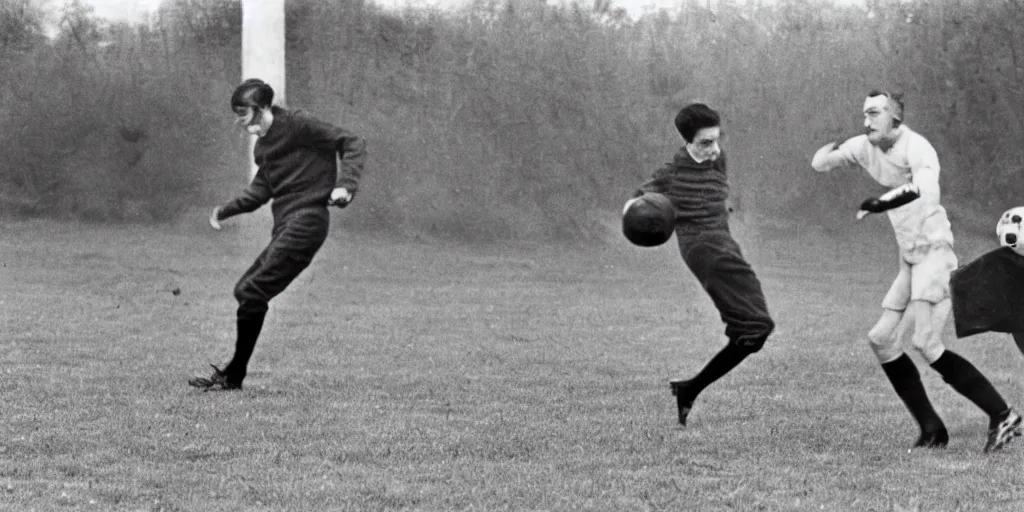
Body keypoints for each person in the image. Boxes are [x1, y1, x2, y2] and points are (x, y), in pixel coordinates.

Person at [810, 89, 1021, 452]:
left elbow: (920, 189)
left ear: (895, 116)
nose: (866, 121)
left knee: (925, 342)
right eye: (864, 113)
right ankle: (932, 429)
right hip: (908, 260)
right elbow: (822, 163)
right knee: (880, 339)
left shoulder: (919, 148)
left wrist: (881, 202)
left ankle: (1002, 414)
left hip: (935, 256)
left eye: (874, 113)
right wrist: (826, 152)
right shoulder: (865, 145)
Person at [188, 78, 366, 391]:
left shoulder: (299, 125)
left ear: (264, 108)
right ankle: (234, 373)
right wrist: (225, 210)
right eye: (237, 114)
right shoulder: (264, 148)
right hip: (286, 224)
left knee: (253, 291)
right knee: (245, 291)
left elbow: (351, 142)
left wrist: (346, 186)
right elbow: (261, 190)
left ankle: (233, 375)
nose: (240, 122)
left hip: (308, 221)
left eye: (244, 114)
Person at [628, 103, 775, 426]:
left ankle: (689, 389)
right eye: (705, 143)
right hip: (706, 253)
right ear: (687, 143)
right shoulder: (672, 175)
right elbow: (638, 202)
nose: (714, 150)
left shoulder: (718, 160)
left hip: (726, 246)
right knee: (757, 327)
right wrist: (641, 216)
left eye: (716, 139)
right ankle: (689, 389)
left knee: (754, 331)